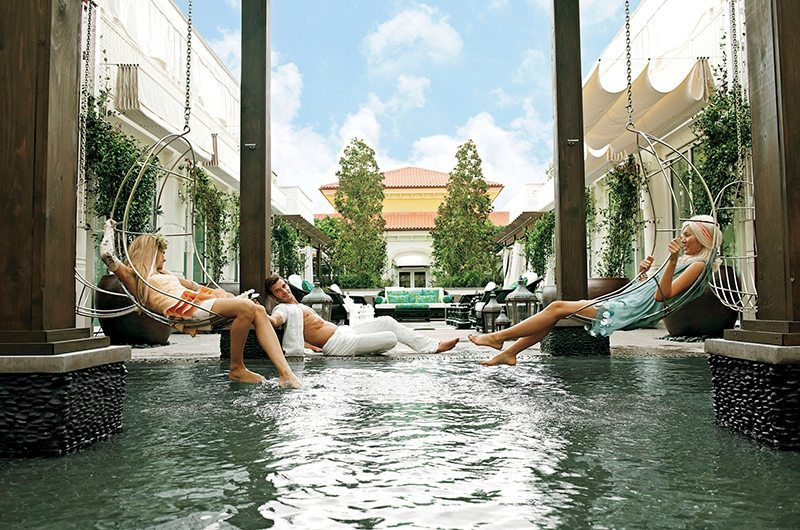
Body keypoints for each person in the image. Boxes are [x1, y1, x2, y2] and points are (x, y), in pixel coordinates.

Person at [470, 214, 722, 366]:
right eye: (684, 234)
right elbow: (653, 289)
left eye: (689, 235)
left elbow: (661, 296)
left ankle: (500, 339)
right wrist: (647, 272)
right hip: (629, 304)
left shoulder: (697, 265)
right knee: (558, 313)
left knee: (557, 307)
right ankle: (510, 352)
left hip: (629, 311)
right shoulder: (690, 263)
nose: (683, 239)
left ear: (704, 238)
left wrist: (672, 261)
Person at [99, 220, 301, 388]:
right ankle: (237, 368)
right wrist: (109, 228)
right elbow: (107, 255)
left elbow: (195, 286)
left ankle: (286, 373)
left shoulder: (165, 274)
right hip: (186, 310)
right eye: (162, 253)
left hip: (197, 302)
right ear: (151, 253)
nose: (165, 257)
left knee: (256, 309)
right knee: (247, 308)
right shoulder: (136, 278)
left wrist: (221, 295)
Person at [265, 274, 460, 356]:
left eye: (283, 286)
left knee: (387, 321)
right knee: (390, 339)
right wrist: (261, 313)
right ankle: (368, 345)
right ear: (274, 296)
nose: (284, 291)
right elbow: (275, 321)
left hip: (344, 332)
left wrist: (311, 346)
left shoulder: (298, 305)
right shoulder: (283, 309)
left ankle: (432, 346)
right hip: (338, 345)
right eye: (278, 291)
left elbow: (299, 333)